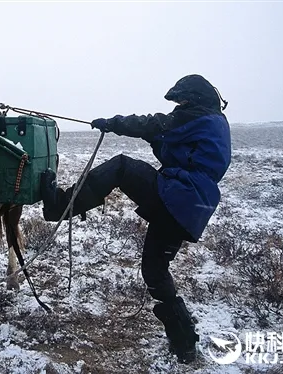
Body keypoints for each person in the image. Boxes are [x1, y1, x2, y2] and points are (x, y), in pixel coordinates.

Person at [40, 74, 231, 363]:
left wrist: (113, 123)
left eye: (182, 100)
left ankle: (60, 207)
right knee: (154, 270)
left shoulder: (201, 117)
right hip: (188, 208)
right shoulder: (212, 123)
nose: (178, 106)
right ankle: (185, 343)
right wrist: (143, 132)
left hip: (180, 196)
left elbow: (154, 125)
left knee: (121, 167)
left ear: (194, 98)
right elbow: (165, 138)